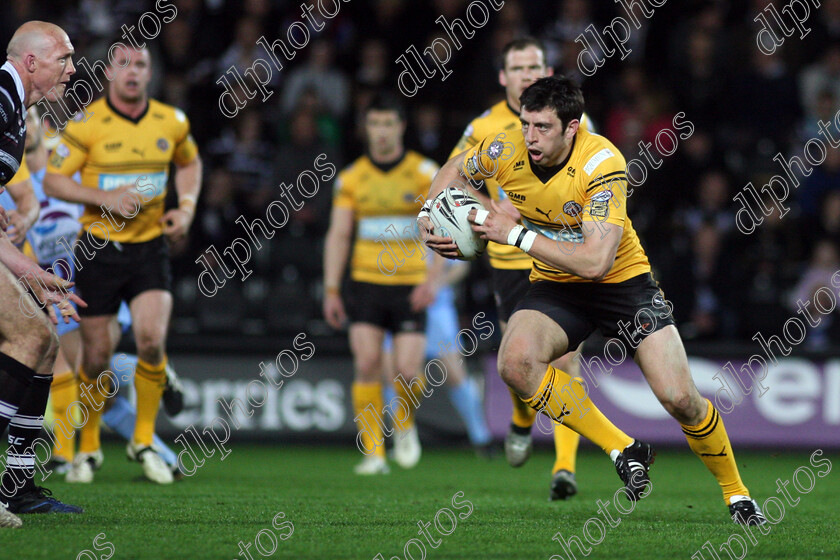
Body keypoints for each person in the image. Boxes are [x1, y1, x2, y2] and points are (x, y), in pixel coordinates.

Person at [421, 76, 766, 525]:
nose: (530, 137)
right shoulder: (503, 148)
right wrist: (431, 212)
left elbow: (594, 263)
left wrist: (514, 234)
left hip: (623, 284)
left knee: (681, 398)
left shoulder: (602, 163)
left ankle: (737, 494)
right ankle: (624, 448)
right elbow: (452, 171)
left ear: (573, 127)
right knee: (515, 362)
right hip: (558, 284)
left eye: (543, 127)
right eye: (526, 124)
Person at [44, 43, 202, 485]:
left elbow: (190, 165)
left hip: (150, 248)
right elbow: (55, 179)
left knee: (152, 339)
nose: (133, 72)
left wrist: (186, 208)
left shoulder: (171, 122)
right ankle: (89, 448)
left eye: (141, 65)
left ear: (151, 73)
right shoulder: (87, 123)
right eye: (124, 65)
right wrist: (104, 198)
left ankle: (145, 441)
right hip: (98, 250)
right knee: (96, 357)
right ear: (110, 73)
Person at [3, 107, 184, 481]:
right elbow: (19, 242)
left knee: (95, 367)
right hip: (61, 282)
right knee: (91, 373)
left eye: (33, 119)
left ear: (42, 125)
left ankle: (79, 452)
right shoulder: (11, 179)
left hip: (102, 268)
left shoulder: (66, 158)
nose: (28, 127)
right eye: (24, 120)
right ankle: (146, 450)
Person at [449, 37, 591, 500]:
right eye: (518, 67)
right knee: (518, 362)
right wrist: (491, 210)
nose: (528, 73)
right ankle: (523, 416)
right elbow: (452, 178)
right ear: (503, 76)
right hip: (510, 261)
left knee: (567, 361)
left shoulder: (574, 122)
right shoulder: (484, 126)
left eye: (535, 65)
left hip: (559, 253)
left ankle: (565, 468)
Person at [323, 93, 442, 475]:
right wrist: (331, 289)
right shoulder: (351, 178)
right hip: (365, 283)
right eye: (374, 124)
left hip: (409, 285)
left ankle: (404, 422)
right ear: (365, 128)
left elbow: (442, 230)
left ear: (402, 127)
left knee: (407, 372)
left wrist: (432, 280)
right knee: (368, 363)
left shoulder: (425, 172)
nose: (381, 132)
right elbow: (339, 235)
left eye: (388, 123)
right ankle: (373, 454)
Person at [0, 21, 86, 525]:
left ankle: (15, 486)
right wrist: (30, 269)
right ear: (32, 63)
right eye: (64, 58)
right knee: (30, 333)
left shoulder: (19, 110)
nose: (73, 69)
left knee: (44, 340)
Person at [382, 259, 493, 457]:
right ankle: (402, 438)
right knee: (395, 375)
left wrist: (435, 284)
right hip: (398, 306)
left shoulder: (440, 229)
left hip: (436, 308)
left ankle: (481, 438)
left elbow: (461, 266)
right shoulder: (393, 231)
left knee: (455, 375)